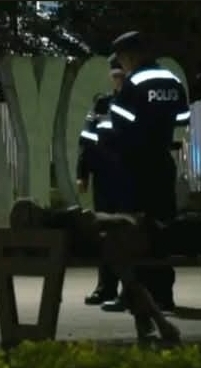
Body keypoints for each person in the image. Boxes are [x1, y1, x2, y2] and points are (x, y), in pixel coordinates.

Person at [101, 30, 191, 313]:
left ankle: (134, 295)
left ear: (130, 56)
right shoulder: (172, 81)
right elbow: (182, 118)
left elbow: (119, 126)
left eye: (122, 59)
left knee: (133, 231)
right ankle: (163, 294)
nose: (121, 65)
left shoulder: (134, 83)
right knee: (163, 228)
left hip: (134, 167)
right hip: (162, 163)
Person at [77, 59, 127, 305]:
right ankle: (106, 287)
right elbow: (87, 139)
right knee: (105, 231)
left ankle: (129, 289)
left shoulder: (135, 102)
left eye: (122, 76)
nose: (118, 81)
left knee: (128, 232)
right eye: (115, 76)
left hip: (129, 176)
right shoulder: (102, 104)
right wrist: (83, 173)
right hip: (105, 177)